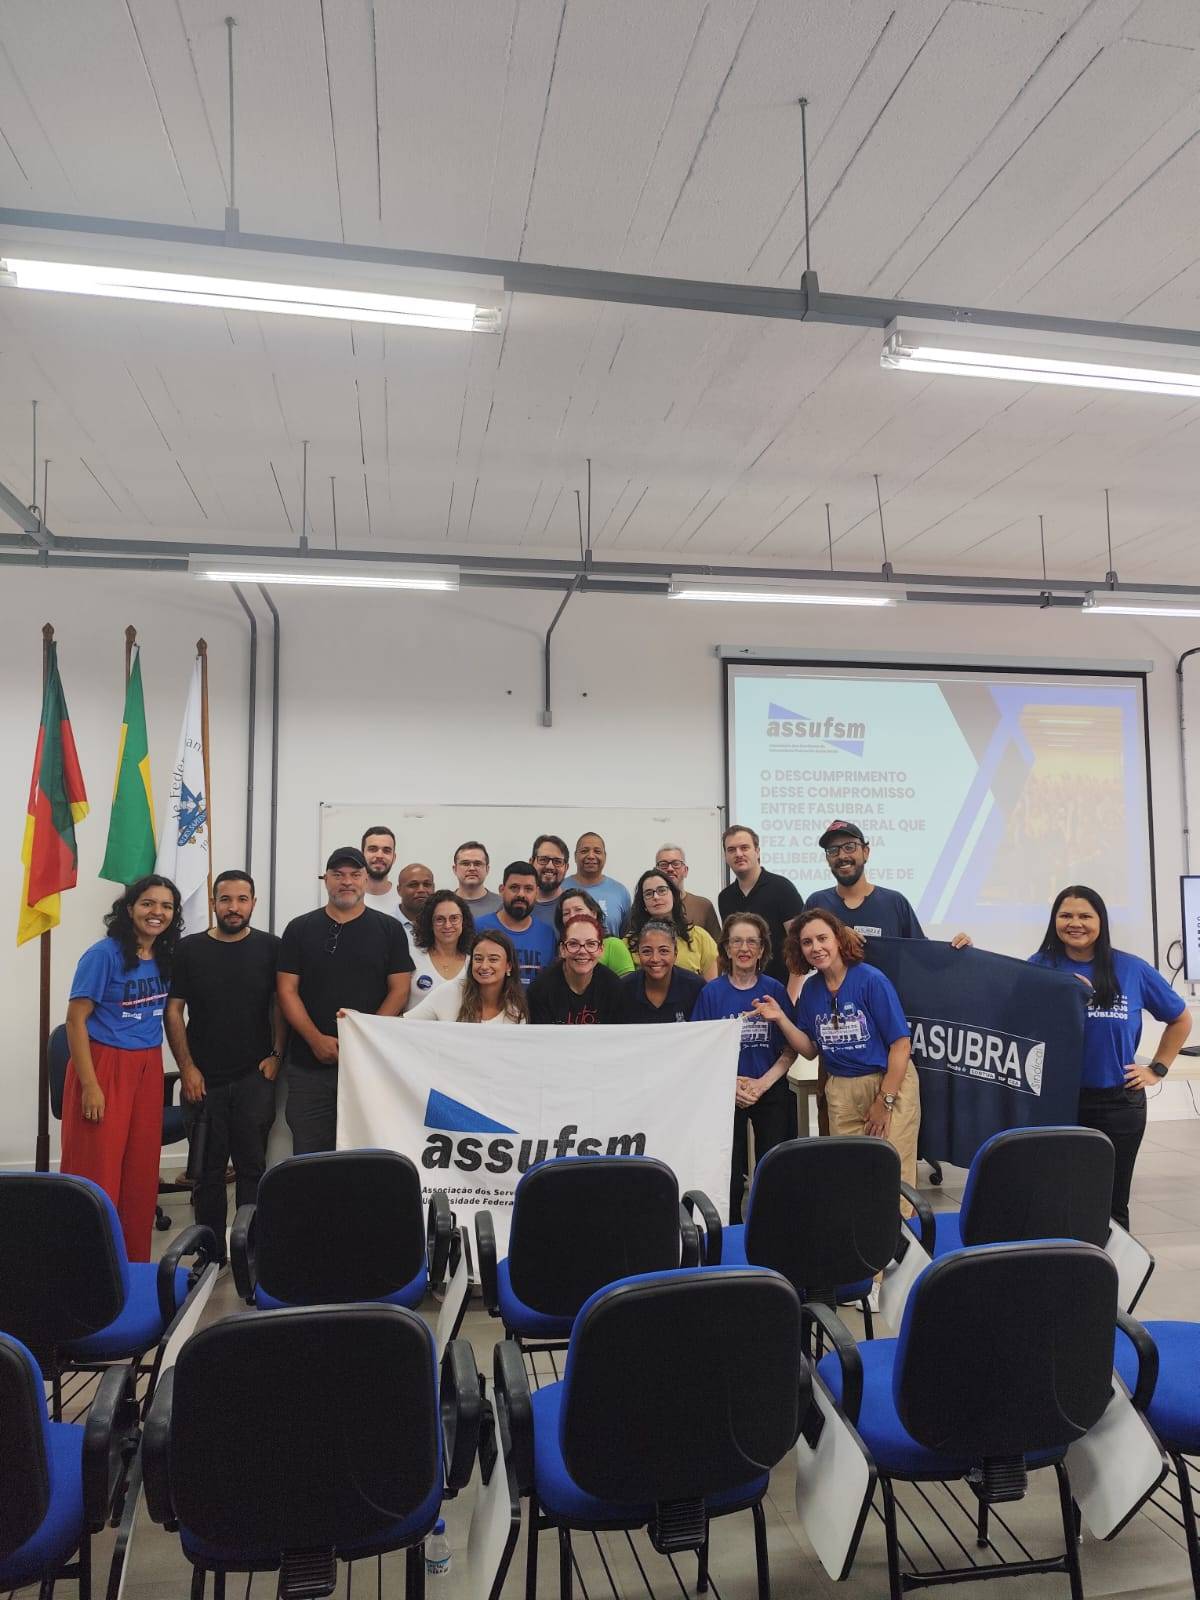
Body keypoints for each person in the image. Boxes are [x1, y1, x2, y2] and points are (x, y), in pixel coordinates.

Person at [1029, 885, 1192, 1231]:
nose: (1075, 923)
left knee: (1111, 1202)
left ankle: (1108, 1278)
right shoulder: (1038, 968)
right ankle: (1060, 1273)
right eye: (1066, 915)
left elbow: (1180, 1018)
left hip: (1118, 1105)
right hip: (1058, 1104)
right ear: (1054, 920)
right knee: (1057, 1195)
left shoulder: (1131, 969)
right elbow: (1005, 1013)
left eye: (1085, 915)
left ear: (1100, 921)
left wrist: (1157, 1068)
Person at [61, 874, 182, 1262]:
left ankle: (132, 1265)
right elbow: (75, 1021)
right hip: (104, 1066)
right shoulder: (103, 955)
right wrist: (90, 1086)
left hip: (147, 1067)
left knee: (140, 1175)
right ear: (129, 909)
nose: (157, 912)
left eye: (165, 906)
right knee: (99, 1171)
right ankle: (88, 1265)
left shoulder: (165, 956)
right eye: (148, 903)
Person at [165, 870, 283, 1260]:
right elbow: (174, 1010)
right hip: (204, 1081)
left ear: (253, 902)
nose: (234, 907)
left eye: (242, 899)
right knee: (206, 1174)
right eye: (225, 899)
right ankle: (211, 1254)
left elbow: (280, 1004)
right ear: (214, 902)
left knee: (253, 1169)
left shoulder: (271, 947)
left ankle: (249, 1250)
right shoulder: (188, 949)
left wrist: (276, 1055)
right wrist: (187, 1068)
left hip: (254, 1077)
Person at [277, 846, 414, 1154]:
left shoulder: (389, 930)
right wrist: (315, 1040)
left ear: (366, 880)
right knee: (311, 1155)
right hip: (309, 1067)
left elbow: (400, 990)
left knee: (367, 1154)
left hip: (369, 1066)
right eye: (337, 875)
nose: (346, 881)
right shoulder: (299, 929)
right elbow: (286, 991)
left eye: (355, 874)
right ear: (325, 880)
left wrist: (362, 1039)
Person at [769, 909, 919, 1189]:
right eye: (807, 942)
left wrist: (884, 1103)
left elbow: (901, 1045)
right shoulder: (811, 990)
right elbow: (811, 1049)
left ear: (838, 939)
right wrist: (780, 1017)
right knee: (851, 1175)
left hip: (887, 1084)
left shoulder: (871, 980)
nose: (816, 947)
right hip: (841, 1089)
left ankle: (897, 1233)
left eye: (822, 938)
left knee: (892, 1174)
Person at [691, 913, 797, 1223]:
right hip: (725, 1091)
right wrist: (731, 1084)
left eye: (752, 941)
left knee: (772, 1170)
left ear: (763, 949)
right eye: (736, 941)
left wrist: (762, 1084)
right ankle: (730, 1236)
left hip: (769, 1085)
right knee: (730, 1176)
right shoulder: (711, 993)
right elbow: (702, 1049)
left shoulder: (774, 990)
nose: (744, 948)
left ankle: (771, 1231)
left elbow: (791, 1048)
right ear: (725, 948)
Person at [805, 820, 971, 948]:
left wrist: (956, 949)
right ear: (828, 859)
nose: (842, 855)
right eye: (833, 850)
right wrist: (835, 936)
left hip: (887, 993)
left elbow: (922, 954)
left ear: (865, 852)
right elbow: (798, 953)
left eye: (849, 847)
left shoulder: (894, 902)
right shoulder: (817, 904)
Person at [717, 825, 804, 986]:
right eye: (731, 850)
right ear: (725, 856)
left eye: (744, 848)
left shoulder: (782, 888)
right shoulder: (725, 898)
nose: (738, 854)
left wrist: (790, 1000)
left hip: (780, 990)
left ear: (757, 851)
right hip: (741, 992)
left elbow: (799, 948)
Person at [407, 928, 529, 1023]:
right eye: (478, 959)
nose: (484, 966)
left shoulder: (516, 1010)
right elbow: (402, 1024)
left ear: (509, 966)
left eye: (493, 959)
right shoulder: (449, 992)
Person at [528, 912, 626, 1024]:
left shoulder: (613, 987)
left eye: (591, 944)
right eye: (573, 944)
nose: (583, 951)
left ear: (601, 950)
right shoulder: (540, 989)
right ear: (562, 950)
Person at [626, 868, 718, 979]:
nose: (656, 897)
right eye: (648, 893)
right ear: (643, 903)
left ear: (674, 895)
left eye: (662, 890)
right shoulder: (629, 942)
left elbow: (711, 988)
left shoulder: (700, 937)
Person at [475, 862, 558, 985]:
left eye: (528, 889)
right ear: (502, 890)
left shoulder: (547, 934)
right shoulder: (479, 927)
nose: (521, 894)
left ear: (536, 893)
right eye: (514, 887)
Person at [620, 920, 705, 1023]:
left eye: (663, 951)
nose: (655, 959)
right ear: (638, 954)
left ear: (675, 954)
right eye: (647, 951)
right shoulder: (623, 989)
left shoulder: (695, 987)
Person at [405, 889, 475, 1013]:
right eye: (440, 919)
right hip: (413, 1031)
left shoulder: (474, 962)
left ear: (463, 921)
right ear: (430, 924)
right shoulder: (411, 956)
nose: (447, 925)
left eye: (454, 918)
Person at [563, 832, 631, 935]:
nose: (591, 856)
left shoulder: (621, 892)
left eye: (597, 851)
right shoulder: (561, 888)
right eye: (584, 851)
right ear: (575, 856)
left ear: (605, 856)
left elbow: (624, 935)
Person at [554, 889, 635, 975]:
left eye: (578, 910)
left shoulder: (613, 945)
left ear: (594, 913)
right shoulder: (562, 947)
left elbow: (628, 985)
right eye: (566, 913)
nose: (572, 916)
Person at [655, 843, 721, 940]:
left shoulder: (704, 906)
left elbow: (718, 948)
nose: (670, 869)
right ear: (656, 871)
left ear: (685, 871)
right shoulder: (648, 906)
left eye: (676, 864)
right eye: (663, 865)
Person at [451, 841, 501, 917]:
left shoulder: (502, 906)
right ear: (455, 869)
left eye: (477, 864)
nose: (472, 868)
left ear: (487, 869)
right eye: (465, 863)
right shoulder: (442, 905)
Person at [361, 825, 402, 918]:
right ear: (362, 854)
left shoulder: (403, 899)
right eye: (373, 849)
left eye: (386, 851)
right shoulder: (349, 897)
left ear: (394, 857)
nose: (379, 855)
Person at [529, 833, 570, 925]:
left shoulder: (573, 907)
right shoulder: (517, 904)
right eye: (543, 859)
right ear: (531, 862)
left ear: (566, 867)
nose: (550, 866)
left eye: (557, 862)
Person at [396, 862, 435, 943]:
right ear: (399, 890)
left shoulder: (443, 924)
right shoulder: (385, 925)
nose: (421, 890)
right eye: (413, 885)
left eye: (427, 884)